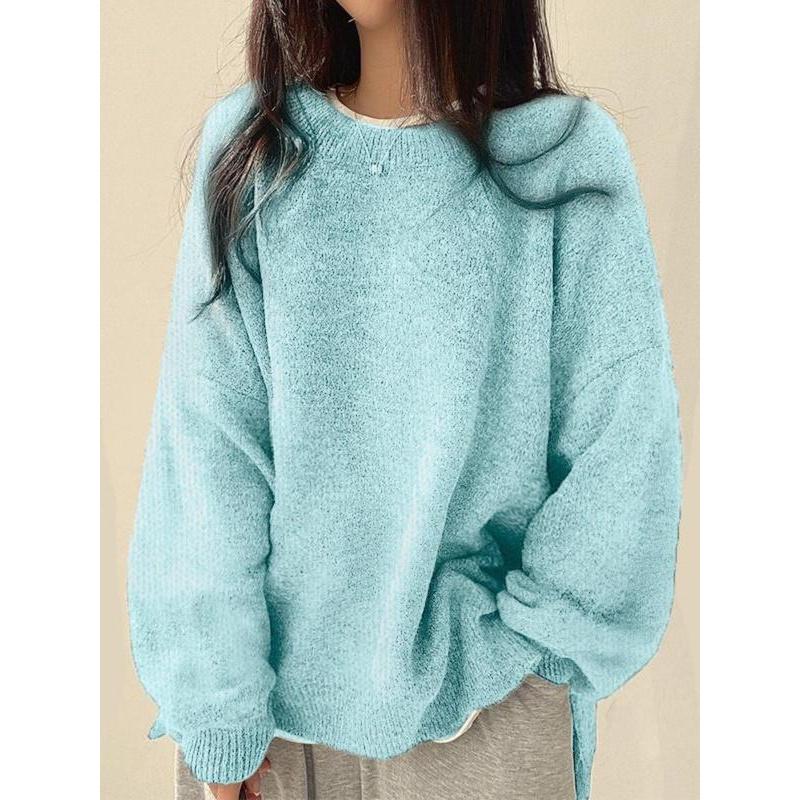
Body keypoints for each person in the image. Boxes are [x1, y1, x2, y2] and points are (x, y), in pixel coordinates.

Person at [127, 1, 683, 799]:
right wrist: (219, 712)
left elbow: (623, 445)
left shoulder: (560, 155)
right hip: (272, 739)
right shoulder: (258, 151)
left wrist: (543, 659)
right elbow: (207, 450)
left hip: (489, 715)